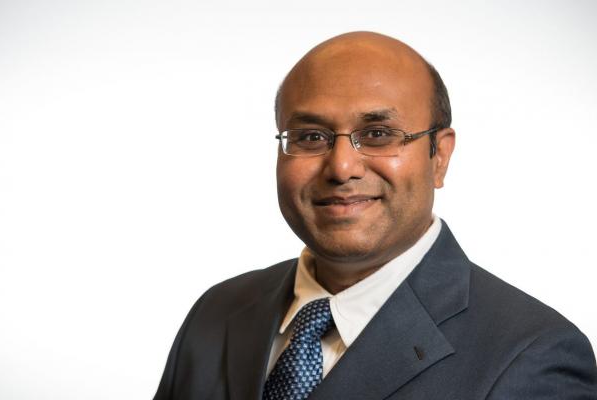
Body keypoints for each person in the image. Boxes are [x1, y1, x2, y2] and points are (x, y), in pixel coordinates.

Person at [153, 32, 597, 399]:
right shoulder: (216, 313)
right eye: (310, 136)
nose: (342, 167)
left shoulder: (533, 357)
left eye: (379, 134)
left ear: (438, 156)